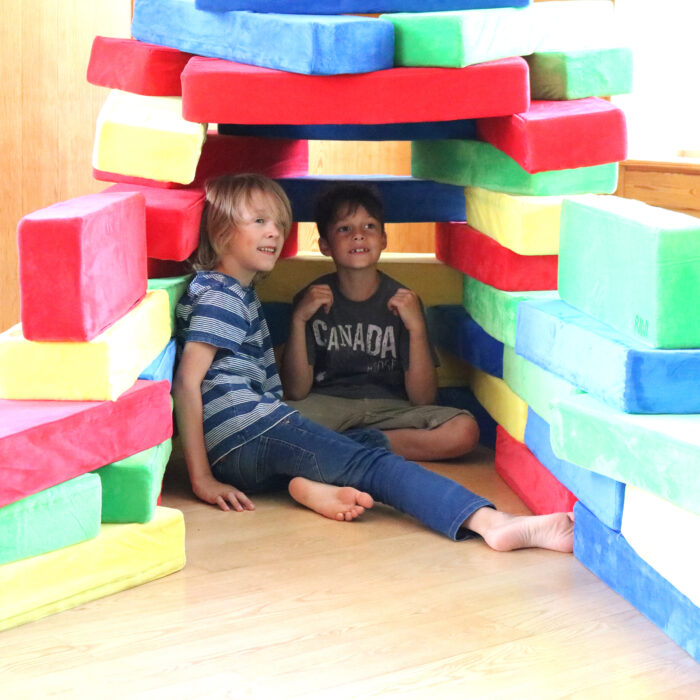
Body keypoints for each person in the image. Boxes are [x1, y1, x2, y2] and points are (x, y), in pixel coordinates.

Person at [172, 173, 573, 552]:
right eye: (259, 221)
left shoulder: (231, 292)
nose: (274, 232)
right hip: (246, 431)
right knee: (371, 464)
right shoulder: (221, 293)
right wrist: (201, 478)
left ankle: (302, 484)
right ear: (222, 231)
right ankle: (490, 522)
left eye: (279, 222)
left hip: (243, 452)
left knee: (358, 444)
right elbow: (188, 383)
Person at [281, 183, 478, 461]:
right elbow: (296, 391)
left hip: (392, 411)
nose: (359, 236)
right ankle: (354, 446)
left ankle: (343, 446)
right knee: (272, 423)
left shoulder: (404, 301)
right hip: (327, 407)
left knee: (463, 430)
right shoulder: (310, 299)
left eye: (369, 226)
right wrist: (299, 319)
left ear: (384, 239)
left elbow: (423, 400)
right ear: (325, 245)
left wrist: (416, 328)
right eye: (344, 229)